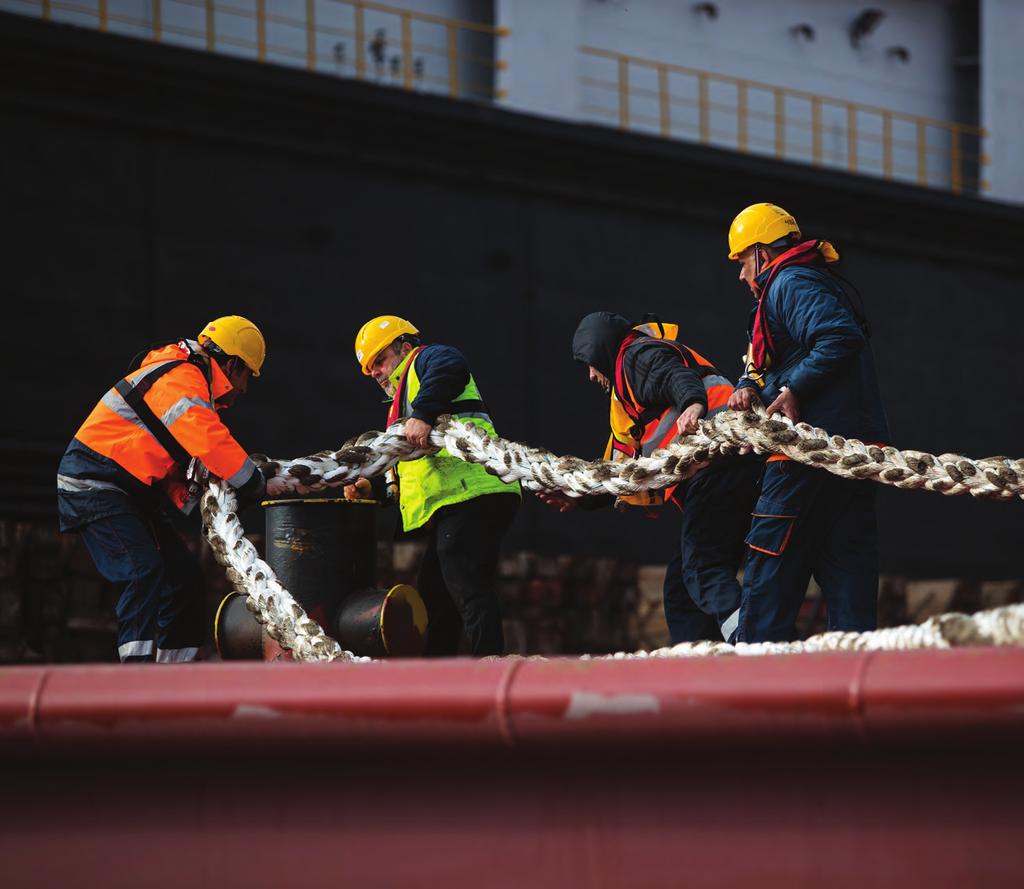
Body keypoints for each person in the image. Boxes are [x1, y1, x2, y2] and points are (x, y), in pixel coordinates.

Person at [57, 316, 268, 663]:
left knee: (184, 580)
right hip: (94, 484)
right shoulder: (182, 379)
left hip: (128, 491)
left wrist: (191, 496)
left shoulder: (181, 378)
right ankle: (136, 680)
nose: (243, 390)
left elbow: (164, 457)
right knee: (143, 570)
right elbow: (210, 441)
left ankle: (172, 679)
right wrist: (253, 482)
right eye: (247, 377)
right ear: (233, 365)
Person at [541, 312, 762, 644]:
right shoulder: (629, 396)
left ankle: (754, 645)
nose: (590, 375)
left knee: (702, 570)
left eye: (589, 363)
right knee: (681, 585)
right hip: (727, 473)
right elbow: (622, 470)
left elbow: (677, 377)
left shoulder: (636, 356)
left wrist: (692, 404)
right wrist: (581, 496)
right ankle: (699, 662)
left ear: (601, 349)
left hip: (719, 470)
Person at [726, 202, 890, 642]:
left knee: (769, 565)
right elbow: (773, 361)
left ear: (760, 254)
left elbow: (838, 337)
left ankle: (755, 676)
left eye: (742, 261)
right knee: (847, 567)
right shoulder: (806, 282)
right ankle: (855, 681)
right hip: (851, 455)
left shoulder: (790, 283)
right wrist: (746, 385)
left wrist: (793, 390)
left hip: (806, 453)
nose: (741, 275)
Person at [348, 315, 520, 657]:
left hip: (473, 493)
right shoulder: (406, 407)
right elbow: (411, 470)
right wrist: (377, 489)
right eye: (370, 370)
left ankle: (490, 662)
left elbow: (451, 363)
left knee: (464, 579)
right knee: (435, 593)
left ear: (405, 348)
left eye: (380, 361)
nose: (376, 373)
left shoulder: (426, 362)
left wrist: (424, 412)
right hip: (458, 499)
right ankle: (439, 670)